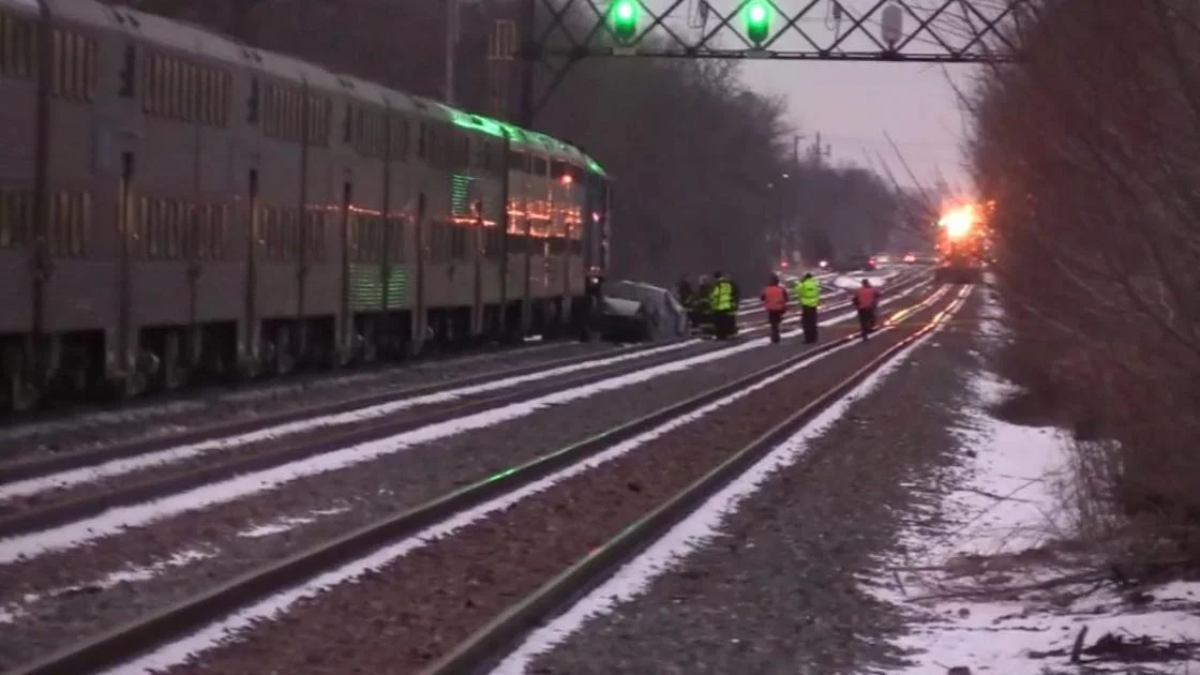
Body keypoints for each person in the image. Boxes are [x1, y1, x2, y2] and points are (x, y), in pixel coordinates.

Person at [760, 273, 788, 344]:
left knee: (773, 323)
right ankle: (776, 335)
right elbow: (786, 298)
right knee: (777, 322)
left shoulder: (766, 289)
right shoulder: (781, 289)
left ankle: (774, 336)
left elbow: (762, 298)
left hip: (770, 308)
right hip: (779, 308)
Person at [708, 271, 736, 339]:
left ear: (715, 277)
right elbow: (731, 294)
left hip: (718, 307)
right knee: (725, 321)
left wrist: (711, 301)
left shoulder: (717, 285)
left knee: (719, 323)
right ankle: (726, 334)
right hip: (726, 305)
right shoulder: (727, 284)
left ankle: (720, 336)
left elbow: (714, 295)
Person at [794, 272, 821, 344]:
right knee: (813, 322)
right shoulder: (815, 283)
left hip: (806, 305)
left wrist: (800, 282)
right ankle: (814, 337)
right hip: (814, 305)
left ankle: (808, 338)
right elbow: (819, 291)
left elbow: (797, 290)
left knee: (806, 323)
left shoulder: (803, 284)